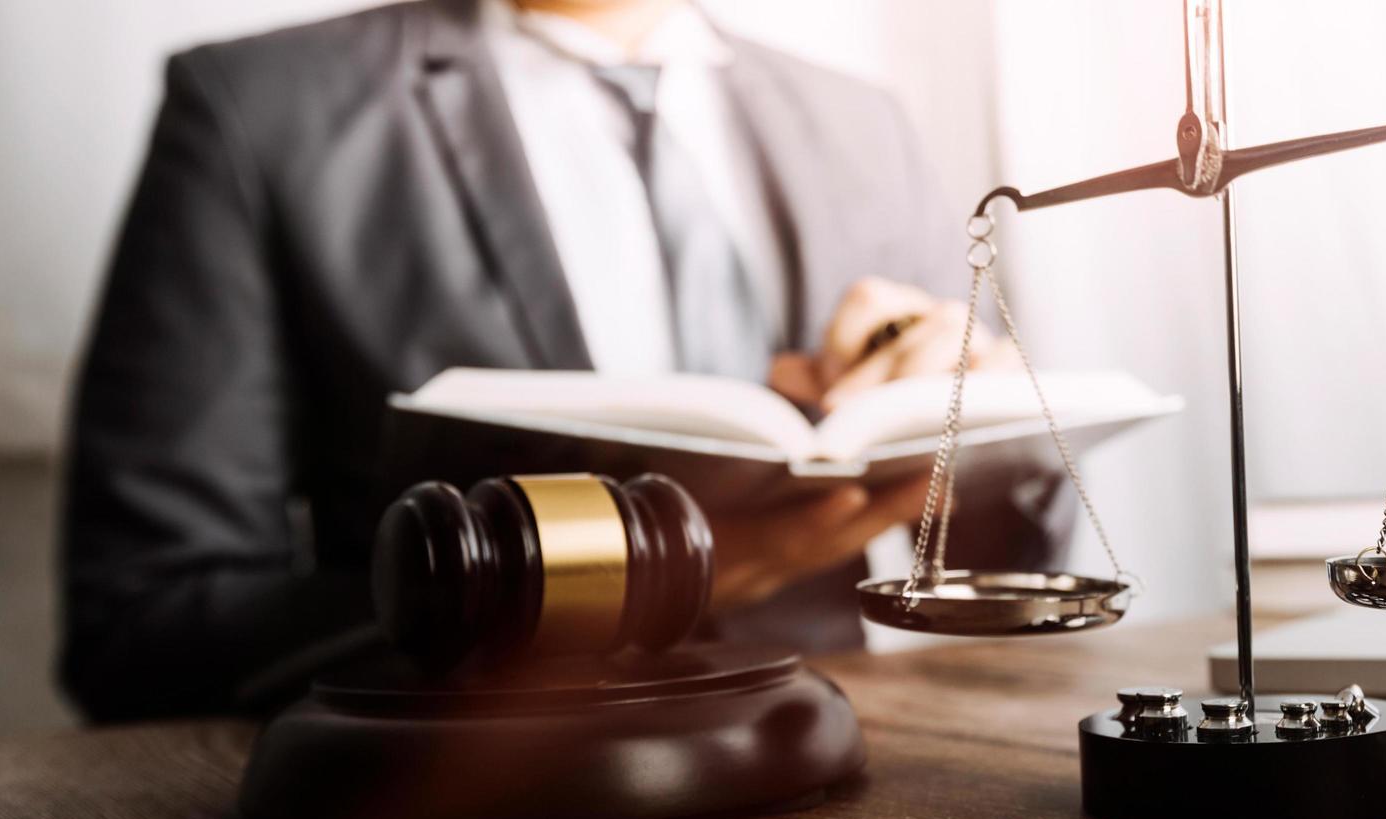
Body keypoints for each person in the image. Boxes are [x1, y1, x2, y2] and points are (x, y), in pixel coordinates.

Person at [60, 0, 1056, 720]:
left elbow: (1019, 558)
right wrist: (647, 578)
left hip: (842, 769)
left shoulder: (859, 121)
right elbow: (141, 628)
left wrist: (992, 412)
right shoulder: (257, 108)